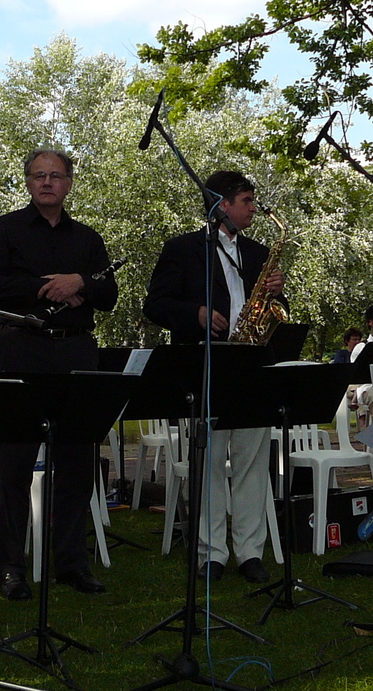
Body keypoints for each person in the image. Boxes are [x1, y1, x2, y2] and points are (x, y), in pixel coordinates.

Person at [0, 149, 118, 601]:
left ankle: (71, 564)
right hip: (21, 351)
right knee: (15, 465)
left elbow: (109, 294)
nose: (47, 182)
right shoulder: (4, 230)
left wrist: (81, 283)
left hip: (76, 353)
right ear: (28, 182)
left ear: (69, 182)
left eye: (56, 175)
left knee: (77, 464)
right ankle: (11, 568)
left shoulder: (88, 238)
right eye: (39, 175)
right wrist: (45, 287)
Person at [142, 169, 284, 584]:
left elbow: (274, 309)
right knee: (209, 462)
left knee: (252, 463)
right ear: (222, 205)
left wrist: (276, 292)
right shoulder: (183, 249)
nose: (254, 208)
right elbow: (155, 304)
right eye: (247, 201)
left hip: (253, 363)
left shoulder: (257, 252)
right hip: (206, 364)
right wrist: (196, 313)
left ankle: (250, 552)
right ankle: (211, 553)